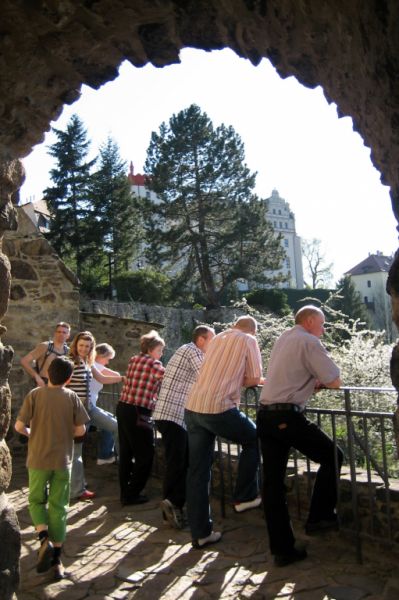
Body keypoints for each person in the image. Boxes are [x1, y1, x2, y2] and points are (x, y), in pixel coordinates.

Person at [256, 305, 343, 568]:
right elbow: (335, 380)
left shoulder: (285, 337)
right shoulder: (308, 340)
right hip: (286, 416)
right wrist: (319, 380)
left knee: (272, 485)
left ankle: (282, 550)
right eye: (322, 324)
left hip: (266, 415)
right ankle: (319, 517)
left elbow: (293, 373)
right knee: (334, 456)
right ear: (308, 321)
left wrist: (310, 381)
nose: (324, 331)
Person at [185, 316, 264, 549]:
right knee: (255, 439)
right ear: (253, 330)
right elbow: (254, 378)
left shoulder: (217, 338)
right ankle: (244, 496)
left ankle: (201, 533)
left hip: (194, 407)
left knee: (197, 473)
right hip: (219, 407)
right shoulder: (248, 339)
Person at [14, 356, 89, 580]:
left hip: (37, 459)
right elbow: (80, 431)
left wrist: (33, 435)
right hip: (62, 460)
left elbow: (19, 426)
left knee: (36, 500)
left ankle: (43, 537)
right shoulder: (72, 397)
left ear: (48, 373)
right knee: (59, 507)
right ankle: (56, 560)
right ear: (68, 378)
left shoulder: (34, 395)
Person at [153, 325, 215, 529]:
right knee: (178, 462)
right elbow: (206, 376)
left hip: (173, 416)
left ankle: (172, 505)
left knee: (182, 461)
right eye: (211, 340)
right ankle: (173, 504)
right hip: (173, 415)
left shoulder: (187, 350)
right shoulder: (192, 351)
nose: (213, 345)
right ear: (201, 340)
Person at [68, 331, 123, 501]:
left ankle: (124, 464)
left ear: (91, 348)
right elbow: (60, 384)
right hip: (74, 411)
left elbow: (101, 378)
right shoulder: (69, 362)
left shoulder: (88, 362)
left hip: (89, 408)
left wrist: (123, 378)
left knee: (116, 426)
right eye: (81, 345)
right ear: (76, 345)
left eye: (87, 346)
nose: (84, 348)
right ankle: (76, 490)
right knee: (75, 452)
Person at [117, 329, 165, 506]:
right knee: (146, 453)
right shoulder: (154, 364)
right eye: (160, 351)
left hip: (123, 406)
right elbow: (167, 382)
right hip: (139, 411)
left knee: (126, 451)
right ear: (152, 349)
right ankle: (133, 493)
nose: (161, 354)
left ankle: (125, 491)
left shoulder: (133, 359)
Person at [89, 343, 121, 465]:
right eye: (107, 359)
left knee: (110, 422)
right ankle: (106, 455)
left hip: (91, 405)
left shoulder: (93, 366)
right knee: (115, 424)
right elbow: (117, 375)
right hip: (89, 406)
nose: (107, 362)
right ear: (100, 355)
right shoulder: (96, 366)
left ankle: (105, 454)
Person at [20, 322, 71, 387]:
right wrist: (37, 377)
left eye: (64, 332)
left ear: (68, 335)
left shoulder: (68, 351)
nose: (61, 334)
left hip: (62, 388)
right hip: (44, 385)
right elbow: (24, 361)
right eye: (59, 332)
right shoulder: (45, 346)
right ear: (55, 333)